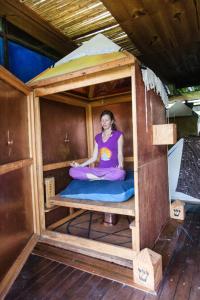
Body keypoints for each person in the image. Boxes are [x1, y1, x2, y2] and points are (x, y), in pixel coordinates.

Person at [69, 110, 125, 181]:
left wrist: (121, 165)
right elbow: (94, 157)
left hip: (112, 170)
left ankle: (96, 178)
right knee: (72, 171)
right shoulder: (98, 137)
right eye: (102, 120)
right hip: (99, 170)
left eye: (106, 120)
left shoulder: (118, 135)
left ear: (112, 121)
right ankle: (100, 177)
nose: (104, 122)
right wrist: (80, 166)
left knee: (120, 173)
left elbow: (120, 153)